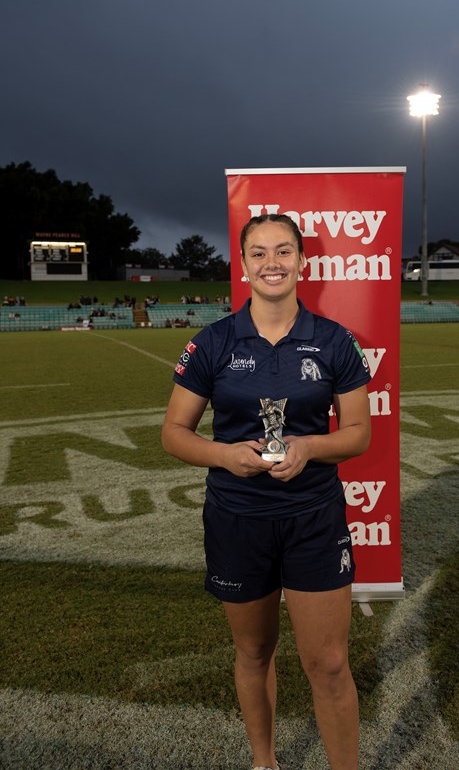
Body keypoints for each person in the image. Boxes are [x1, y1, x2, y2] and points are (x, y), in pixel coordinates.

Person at [162, 214, 371, 770]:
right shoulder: (213, 341)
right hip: (238, 518)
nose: (272, 263)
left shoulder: (333, 341)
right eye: (258, 253)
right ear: (243, 264)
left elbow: (358, 434)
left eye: (283, 251)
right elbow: (173, 434)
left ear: (303, 261)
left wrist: (307, 448)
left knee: (327, 662)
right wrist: (226, 455)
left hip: (313, 518)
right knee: (254, 651)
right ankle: (264, 762)